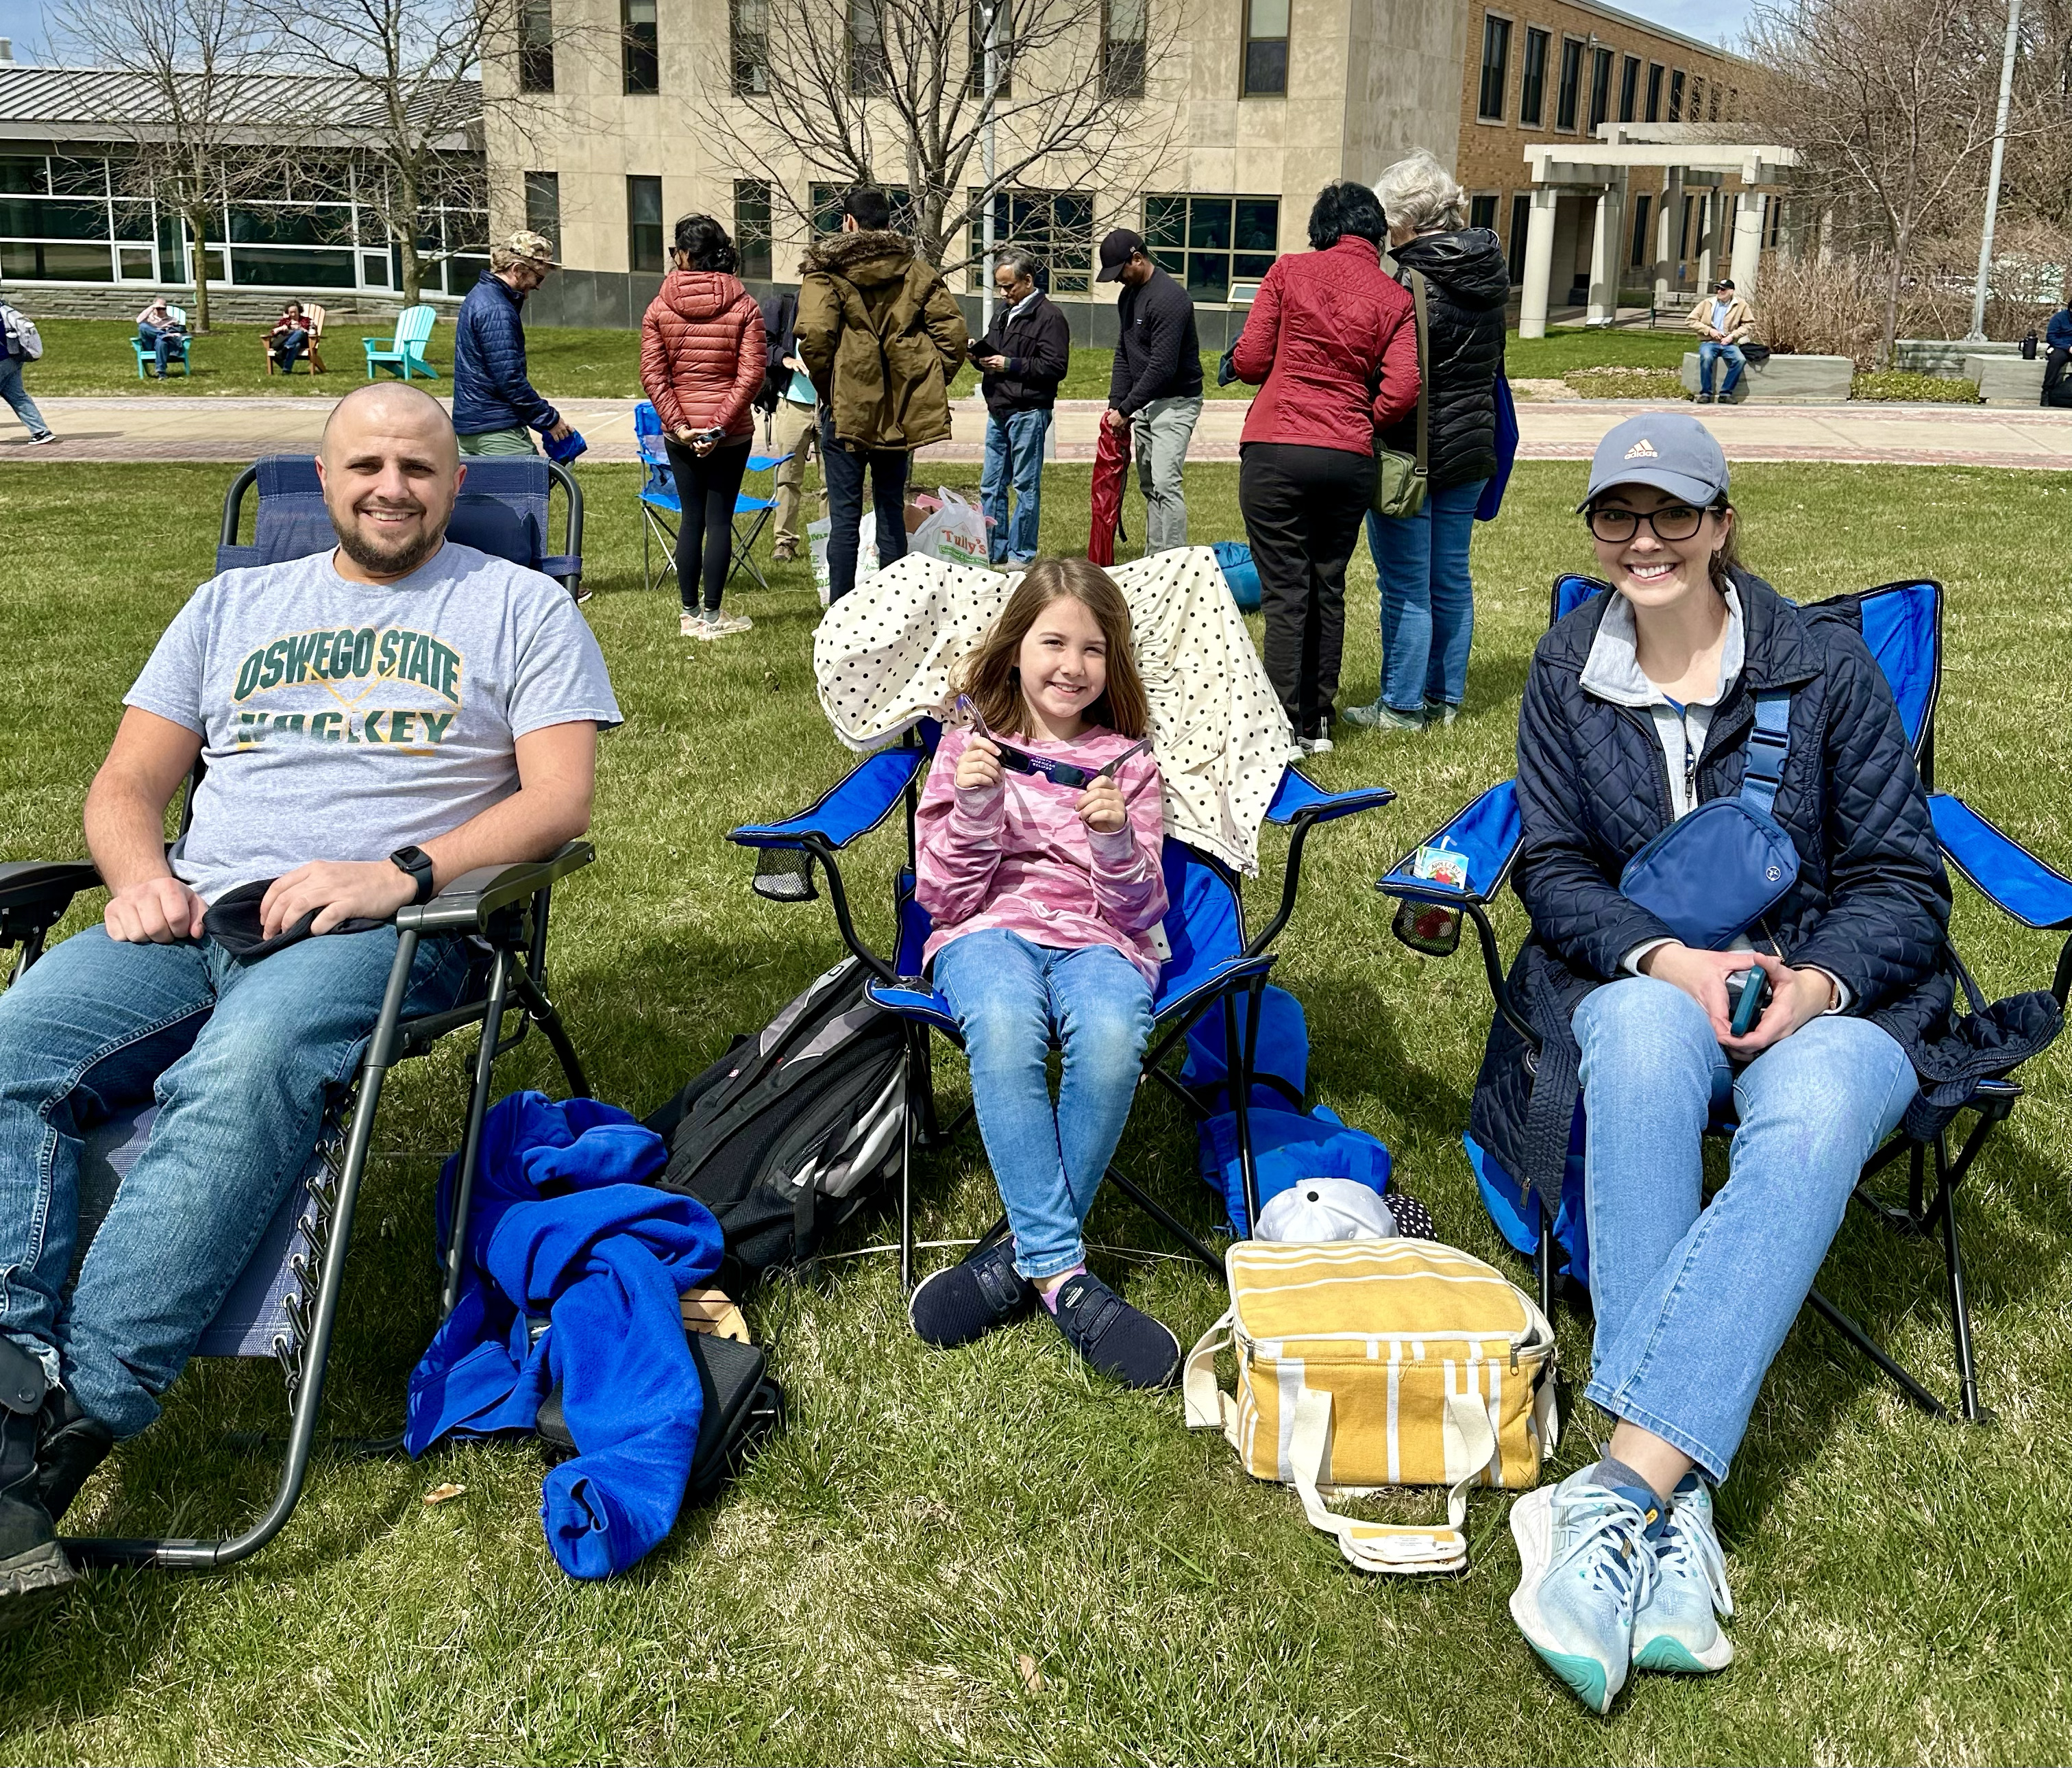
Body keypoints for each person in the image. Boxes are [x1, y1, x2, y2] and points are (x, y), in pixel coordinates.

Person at [0, 381, 619, 1626]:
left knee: (248, 1067)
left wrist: (393, 873)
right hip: (195, 912)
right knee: (12, 1047)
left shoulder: (518, 605)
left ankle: (65, 1432)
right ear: (322, 480)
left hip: (395, 924)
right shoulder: (230, 602)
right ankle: (11, 1371)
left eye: (419, 469)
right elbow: (127, 782)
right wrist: (136, 878)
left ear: (456, 483)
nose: (391, 487)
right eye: (364, 466)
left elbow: (558, 802)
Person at [1481, 412, 1951, 1714]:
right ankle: (1672, 1510)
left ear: (1720, 524)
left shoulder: (1821, 671)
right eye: (1615, 518)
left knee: (1808, 1122)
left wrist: (1806, 984)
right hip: (1647, 980)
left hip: (1827, 993)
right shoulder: (1568, 668)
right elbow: (1557, 871)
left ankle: (1619, 1491)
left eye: (1671, 515)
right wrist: (1672, 965)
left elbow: (1903, 880)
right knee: (1630, 1047)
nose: (1643, 542)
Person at [907, 558, 1179, 1389]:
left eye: (1092, 649)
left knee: (1107, 1034)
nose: (1071, 666)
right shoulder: (968, 745)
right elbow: (941, 895)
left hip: (1102, 935)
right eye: (1053, 642)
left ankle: (1022, 1268)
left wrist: (1113, 842)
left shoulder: (1127, 762)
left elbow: (1140, 912)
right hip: (987, 926)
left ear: (1114, 662)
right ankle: (1066, 1276)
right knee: (1003, 1021)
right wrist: (978, 804)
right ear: (1016, 645)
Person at [1228, 183, 1418, 755]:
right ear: (1377, 233)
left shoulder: (1289, 272)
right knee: (1326, 584)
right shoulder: (1395, 298)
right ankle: (1318, 720)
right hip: (1348, 453)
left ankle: (1281, 723)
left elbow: (1255, 358)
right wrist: (1362, 416)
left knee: (1286, 588)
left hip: (1278, 445)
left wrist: (1234, 362)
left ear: (1322, 228)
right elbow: (1404, 388)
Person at [1348, 152, 1509, 734]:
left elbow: (1398, 377)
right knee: (1450, 577)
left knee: (1406, 587)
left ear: (1406, 223)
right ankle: (1447, 699)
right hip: (1471, 446)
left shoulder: (1407, 281)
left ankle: (1401, 706)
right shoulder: (1488, 270)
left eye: (1390, 219)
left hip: (1410, 451)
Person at [795, 186, 966, 601]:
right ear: (889, 223)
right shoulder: (917, 272)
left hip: (846, 414)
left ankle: (839, 613)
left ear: (848, 222)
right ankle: (894, 612)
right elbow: (954, 337)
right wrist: (922, 381)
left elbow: (815, 336)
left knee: (845, 517)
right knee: (891, 510)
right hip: (899, 415)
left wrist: (830, 386)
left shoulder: (825, 273)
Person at [640, 213, 767, 640]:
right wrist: (716, 428)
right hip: (729, 432)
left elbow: (653, 375)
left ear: (682, 254)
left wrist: (679, 426)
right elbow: (751, 375)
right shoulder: (745, 304)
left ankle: (689, 613)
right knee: (719, 518)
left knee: (692, 518)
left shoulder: (658, 306)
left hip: (682, 429)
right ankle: (712, 615)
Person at [1098, 229, 1203, 555]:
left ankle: (1174, 566)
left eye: (1121, 272)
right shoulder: (1128, 296)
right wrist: (1117, 403)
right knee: (1149, 486)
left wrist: (1126, 408)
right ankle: (1153, 560)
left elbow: (1162, 367)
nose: (1118, 281)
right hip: (1144, 402)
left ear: (1138, 259)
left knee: (1166, 484)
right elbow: (1124, 353)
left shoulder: (1170, 299)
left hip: (1176, 402)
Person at [972, 250, 1070, 568]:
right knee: (991, 485)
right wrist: (980, 357)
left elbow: (1056, 367)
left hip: (1029, 411)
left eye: (1009, 286)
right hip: (998, 408)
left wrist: (1009, 365)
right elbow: (995, 354)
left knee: (1026, 486)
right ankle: (993, 550)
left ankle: (1021, 555)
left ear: (1028, 281)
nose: (1003, 294)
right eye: (999, 287)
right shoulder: (1002, 314)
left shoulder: (1050, 317)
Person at [452, 230, 574, 458]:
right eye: (538, 278)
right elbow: (510, 379)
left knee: (480, 494)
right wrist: (550, 420)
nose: (537, 287)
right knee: (528, 491)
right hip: (496, 428)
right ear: (517, 270)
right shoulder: (497, 309)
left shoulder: (479, 296)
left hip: (472, 426)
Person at [757, 287, 820, 562]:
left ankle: (829, 541)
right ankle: (784, 542)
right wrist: (785, 358)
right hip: (792, 404)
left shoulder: (843, 303)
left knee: (834, 482)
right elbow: (761, 343)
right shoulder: (785, 305)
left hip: (832, 405)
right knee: (788, 477)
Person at [1687, 278, 1755, 404]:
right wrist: (1709, 330)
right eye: (1718, 288)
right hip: (1709, 342)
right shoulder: (1707, 303)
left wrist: (1732, 336)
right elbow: (1690, 321)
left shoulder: (1741, 305)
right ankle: (1706, 393)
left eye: (1723, 289)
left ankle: (1726, 393)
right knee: (1706, 358)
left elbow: (1749, 325)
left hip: (1729, 343)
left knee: (1740, 360)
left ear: (1731, 291)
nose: (1719, 291)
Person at [0, 293, 55, 444]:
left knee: (19, 396)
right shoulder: (3, 307)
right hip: (14, 357)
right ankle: (41, 431)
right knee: (18, 397)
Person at [134, 296, 186, 379]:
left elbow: (179, 333)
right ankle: (162, 334)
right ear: (154, 309)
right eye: (158, 308)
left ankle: (161, 373)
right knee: (143, 326)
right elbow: (138, 321)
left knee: (161, 341)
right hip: (149, 344)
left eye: (163, 309)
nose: (161, 311)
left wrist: (175, 334)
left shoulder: (172, 320)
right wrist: (152, 307)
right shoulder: (149, 319)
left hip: (163, 346)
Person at [267, 299, 312, 375]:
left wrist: (299, 327)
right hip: (291, 343)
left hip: (304, 341)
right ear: (288, 312)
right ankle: (286, 370)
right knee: (296, 345)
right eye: (291, 312)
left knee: (299, 332)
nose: (294, 314)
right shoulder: (284, 321)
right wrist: (281, 328)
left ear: (299, 311)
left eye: (295, 312)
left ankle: (285, 349)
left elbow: (309, 332)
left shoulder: (306, 320)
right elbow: (272, 333)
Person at [2043, 295, 2072, 405]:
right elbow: (2051, 337)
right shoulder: (2059, 318)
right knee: (2056, 359)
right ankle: (2047, 392)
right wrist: (2068, 347)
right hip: (2062, 346)